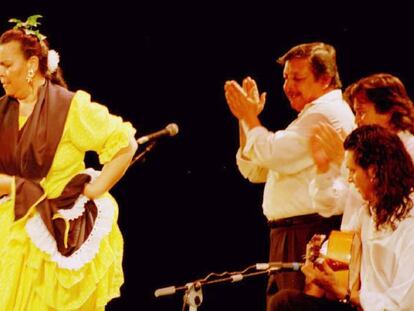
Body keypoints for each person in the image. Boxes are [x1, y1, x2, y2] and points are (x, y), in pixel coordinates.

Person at [0, 15, 137, 310]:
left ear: (32, 66)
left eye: (7, 65)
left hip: (55, 232)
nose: (0, 73)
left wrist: (95, 188)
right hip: (11, 233)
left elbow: (125, 144)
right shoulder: (3, 111)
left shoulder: (68, 108)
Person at [224, 42, 355, 308]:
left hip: (311, 233)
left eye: (298, 78)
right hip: (289, 235)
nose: (288, 86)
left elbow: (273, 153)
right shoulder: (308, 116)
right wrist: (245, 119)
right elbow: (254, 169)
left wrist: (249, 117)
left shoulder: (327, 112)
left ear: (326, 78)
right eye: (286, 77)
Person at [270, 125, 414, 310]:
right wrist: (319, 259)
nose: (349, 179)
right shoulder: (369, 212)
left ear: (374, 172)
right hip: (360, 305)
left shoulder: (409, 223)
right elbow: (339, 251)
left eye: (353, 171)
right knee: (285, 302)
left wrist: (345, 293)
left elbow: (401, 305)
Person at [309, 73, 414, 229]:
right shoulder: (364, 152)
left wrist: (343, 161)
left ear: (388, 112)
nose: (357, 120)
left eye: (362, 112)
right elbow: (330, 207)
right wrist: (323, 169)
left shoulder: (410, 150)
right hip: (354, 247)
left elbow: (386, 201)